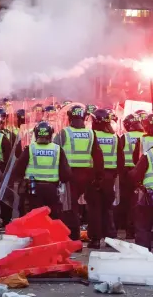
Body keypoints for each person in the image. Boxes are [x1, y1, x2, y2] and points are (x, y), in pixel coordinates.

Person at [54, 105, 104, 241]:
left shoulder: (64, 133)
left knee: (71, 207)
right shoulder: (90, 133)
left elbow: (54, 151)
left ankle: (73, 238)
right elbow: (98, 156)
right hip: (87, 174)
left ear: (70, 118)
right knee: (92, 207)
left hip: (69, 174)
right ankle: (95, 239)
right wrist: (98, 177)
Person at [13, 121, 72, 219]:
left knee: (33, 217)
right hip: (52, 189)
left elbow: (18, 170)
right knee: (52, 217)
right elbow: (66, 174)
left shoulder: (30, 149)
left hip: (33, 188)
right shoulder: (57, 149)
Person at [88, 109, 125, 248]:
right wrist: (115, 175)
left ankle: (95, 239)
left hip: (94, 176)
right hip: (110, 177)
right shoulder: (115, 137)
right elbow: (120, 159)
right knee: (108, 208)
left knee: (94, 208)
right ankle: (111, 238)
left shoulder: (92, 135)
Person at [117, 113, 144, 239]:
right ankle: (134, 228)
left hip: (127, 172)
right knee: (137, 201)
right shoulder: (145, 137)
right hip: (141, 172)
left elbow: (119, 155)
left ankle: (126, 228)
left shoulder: (125, 137)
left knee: (126, 201)